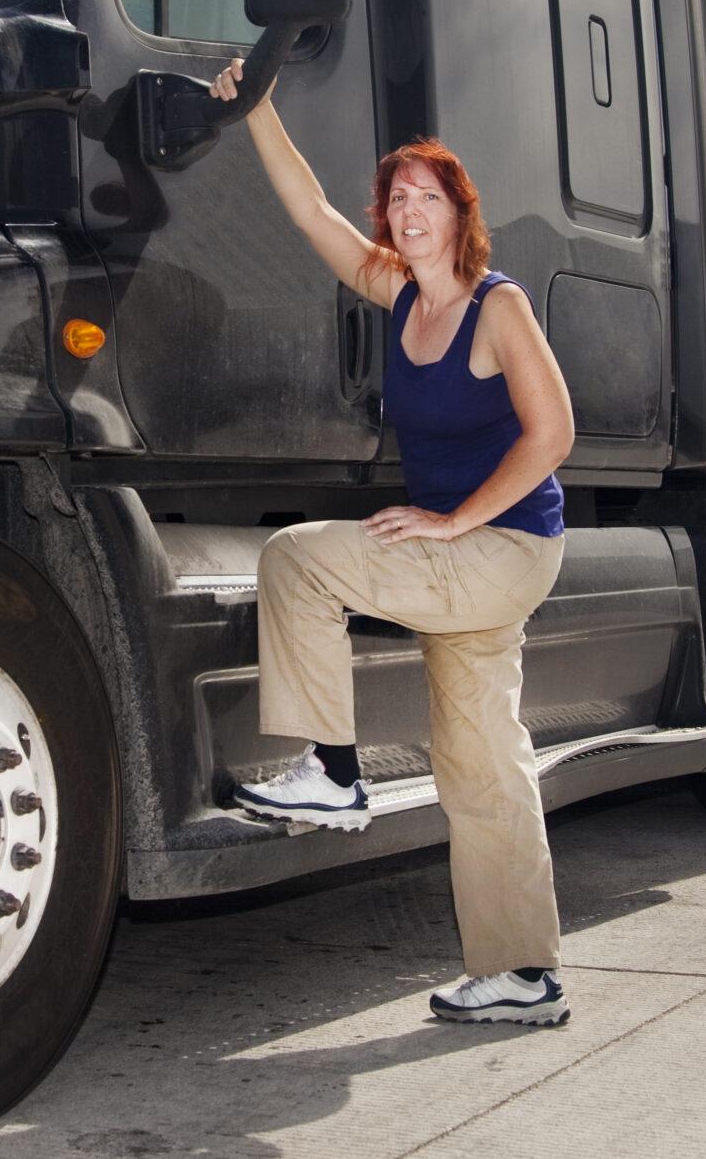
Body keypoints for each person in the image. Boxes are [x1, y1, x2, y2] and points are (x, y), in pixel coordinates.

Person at [212, 57, 575, 1027]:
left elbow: (552, 435)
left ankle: (331, 771)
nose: (408, 209)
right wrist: (259, 110)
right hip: (464, 565)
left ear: (461, 213)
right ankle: (521, 972)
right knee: (480, 761)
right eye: (396, 197)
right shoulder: (398, 292)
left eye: (427, 196)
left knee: (300, 555)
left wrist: (458, 519)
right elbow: (309, 210)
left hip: (502, 551)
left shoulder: (495, 306)